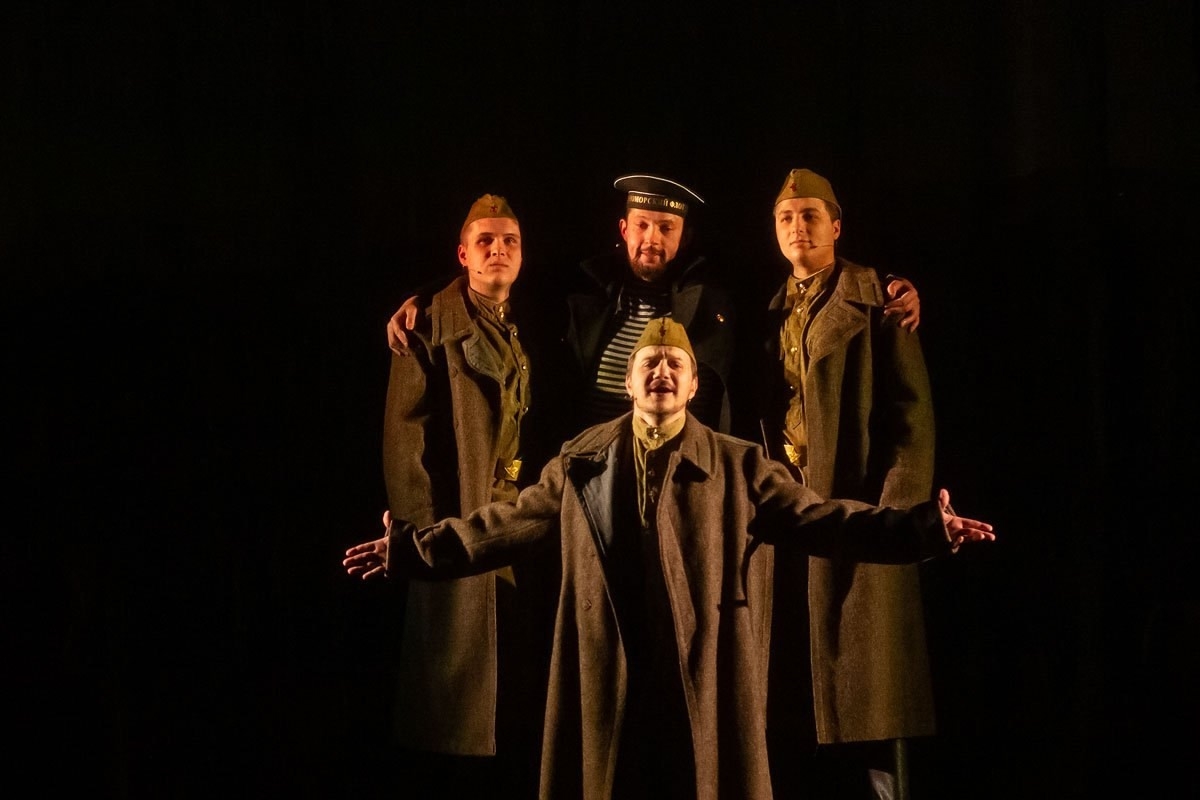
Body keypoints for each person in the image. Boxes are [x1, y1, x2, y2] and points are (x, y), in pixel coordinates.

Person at [345, 317, 994, 800]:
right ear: (628, 381)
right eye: (650, 363)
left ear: (692, 383)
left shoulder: (740, 465)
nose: (661, 372)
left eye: (674, 364)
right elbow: (500, 527)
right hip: (609, 671)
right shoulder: (580, 460)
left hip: (700, 675)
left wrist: (921, 529)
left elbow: (826, 521)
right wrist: (412, 550)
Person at [388, 173, 926, 438]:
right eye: (642, 226)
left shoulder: (718, 293)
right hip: (590, 467)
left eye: (666, 228)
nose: (652, 239)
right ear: (624, 229)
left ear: (682, 236)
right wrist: (427, 297)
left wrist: (888, 283)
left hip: (685, 466)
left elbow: (808, 267)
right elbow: (497, 273)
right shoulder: (580, 289)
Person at [756, 168, 938, 799]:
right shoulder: (771, 309)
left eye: (810, 215)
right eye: (786, 218)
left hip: (861, 516)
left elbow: (912, 424)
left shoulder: (878, 302)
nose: (797, 228)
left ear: (836, 226)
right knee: (800, 700)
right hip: (794, 519)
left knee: (867, 701)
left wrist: (893, 522)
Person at [371, 192, 556, 798]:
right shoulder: (427, 326)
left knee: (513, 688)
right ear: (463, 254)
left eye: (510, 241)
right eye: (485, 242)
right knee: (455, 699)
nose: (498, 250)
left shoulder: (525, 320)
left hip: (518, 525)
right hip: (458, 524)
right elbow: (405, 440)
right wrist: (423, 539)